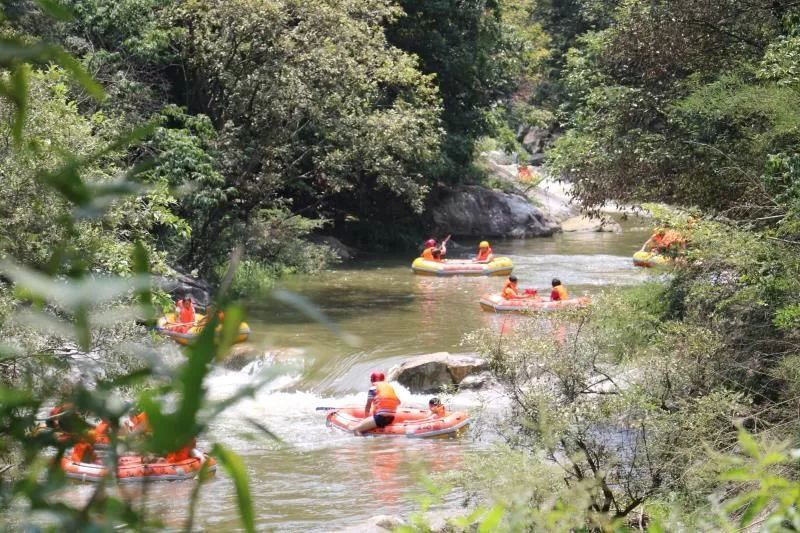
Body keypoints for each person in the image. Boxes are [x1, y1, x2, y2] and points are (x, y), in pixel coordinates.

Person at [351, 371, 401, 436]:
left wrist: (365, 419)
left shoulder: (373, 388)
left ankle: (363, 444)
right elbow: (399, 402)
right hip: (391, 418)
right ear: (383, 379)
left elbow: (368, 406)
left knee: (356, 429)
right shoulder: (389, 387)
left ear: (372, 380)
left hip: (381, 418)